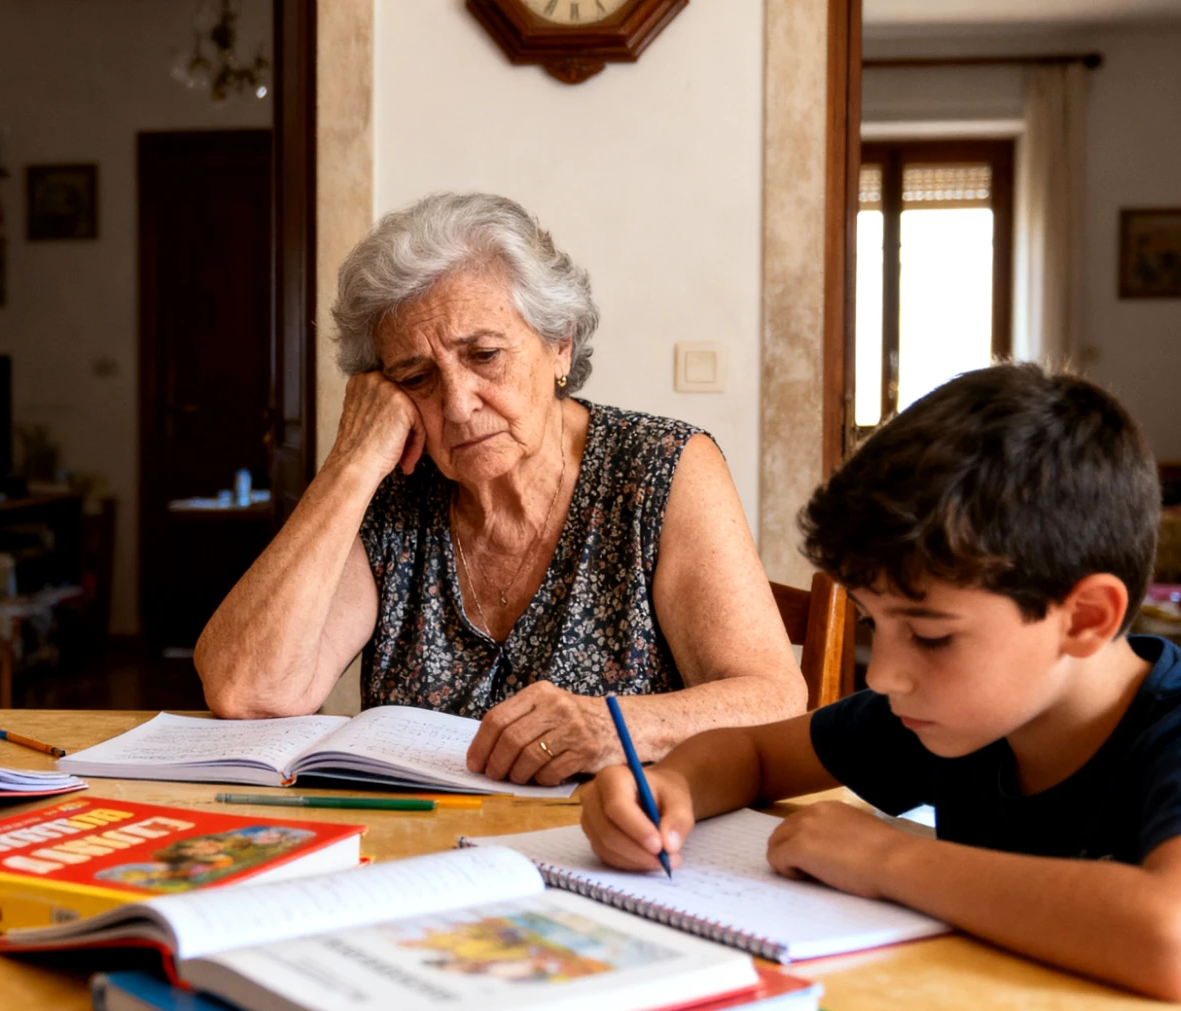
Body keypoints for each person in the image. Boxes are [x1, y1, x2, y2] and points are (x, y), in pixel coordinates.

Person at [579, 364, 1181, 999]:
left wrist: (887, 858)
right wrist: (668, 788)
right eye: (874, 624)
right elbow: (753, 752)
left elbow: (1168, 937)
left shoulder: (1167, 733)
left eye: (931, 636)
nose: (888, 674)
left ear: (1085, 618)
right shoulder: (953, 715)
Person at [195, 193, 803, 784]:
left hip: (606, 845)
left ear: (559, 344)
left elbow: (773, 698)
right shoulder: (395, 489)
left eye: (484, 355)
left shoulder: (659, 469)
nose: (458, 406)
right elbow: (250, 690)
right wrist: (350, 464)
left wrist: (615, 726)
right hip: (421, 853)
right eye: (417, 377)